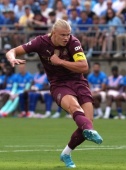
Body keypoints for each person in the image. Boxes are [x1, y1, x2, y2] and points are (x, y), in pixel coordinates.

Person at [5, 19, 103, 168]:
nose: (66, 38)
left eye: (68, 34)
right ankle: (90, 130)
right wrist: (12, 57)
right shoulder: (40, 42)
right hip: (59, 85)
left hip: (79, 82)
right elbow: (12, 51)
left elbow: (84, 67)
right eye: (63, 35)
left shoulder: (73, 42)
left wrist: (60, 62)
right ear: (53, 33)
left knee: (88, 120)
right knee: (74, 108)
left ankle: (66, 154)